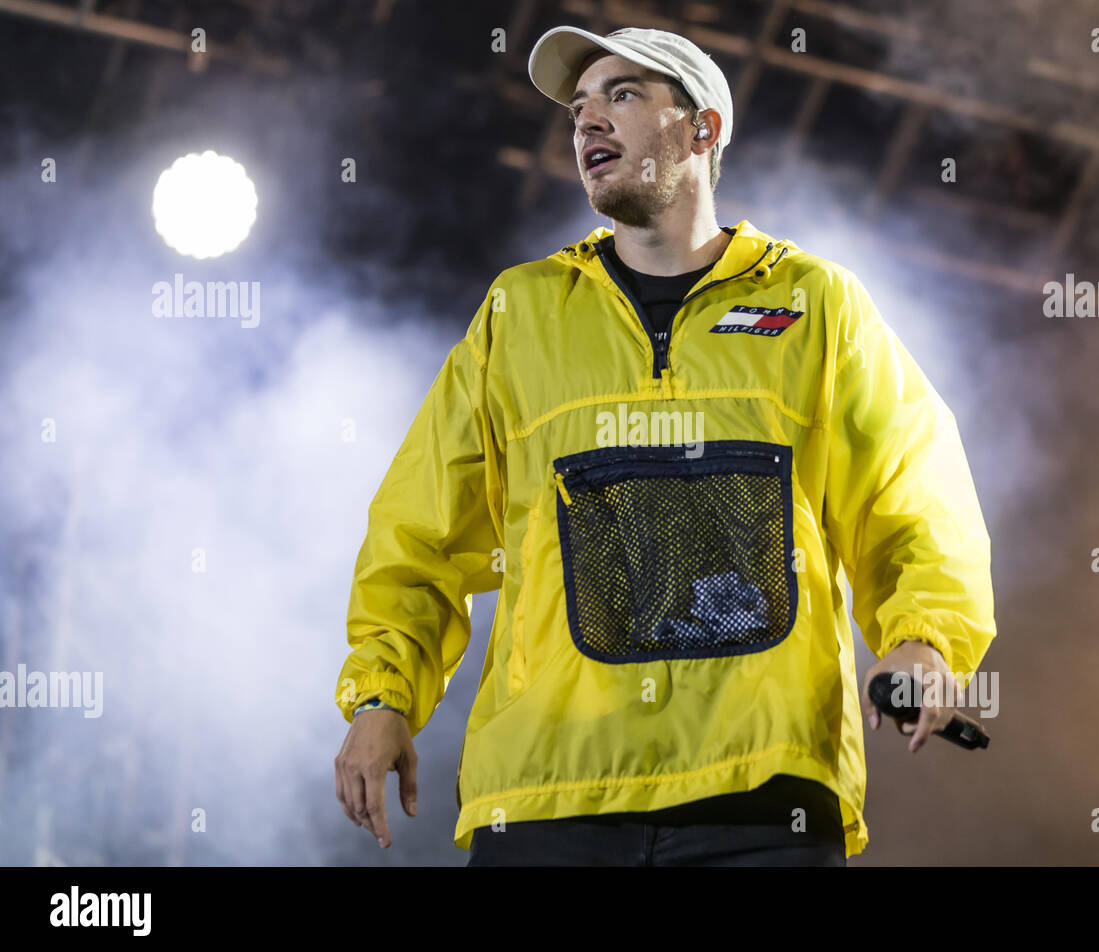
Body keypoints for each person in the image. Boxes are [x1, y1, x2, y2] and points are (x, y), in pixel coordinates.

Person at [332, 25, 997, 866]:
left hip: (762, 793)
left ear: (704, 128)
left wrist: (925, 639)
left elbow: (913, 494)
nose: (587, 125)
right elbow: (420, 532)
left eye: (622, 96)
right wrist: (380, 697)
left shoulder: (815, 302)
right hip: (547, 787)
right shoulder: (520, 311)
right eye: (578, 110)